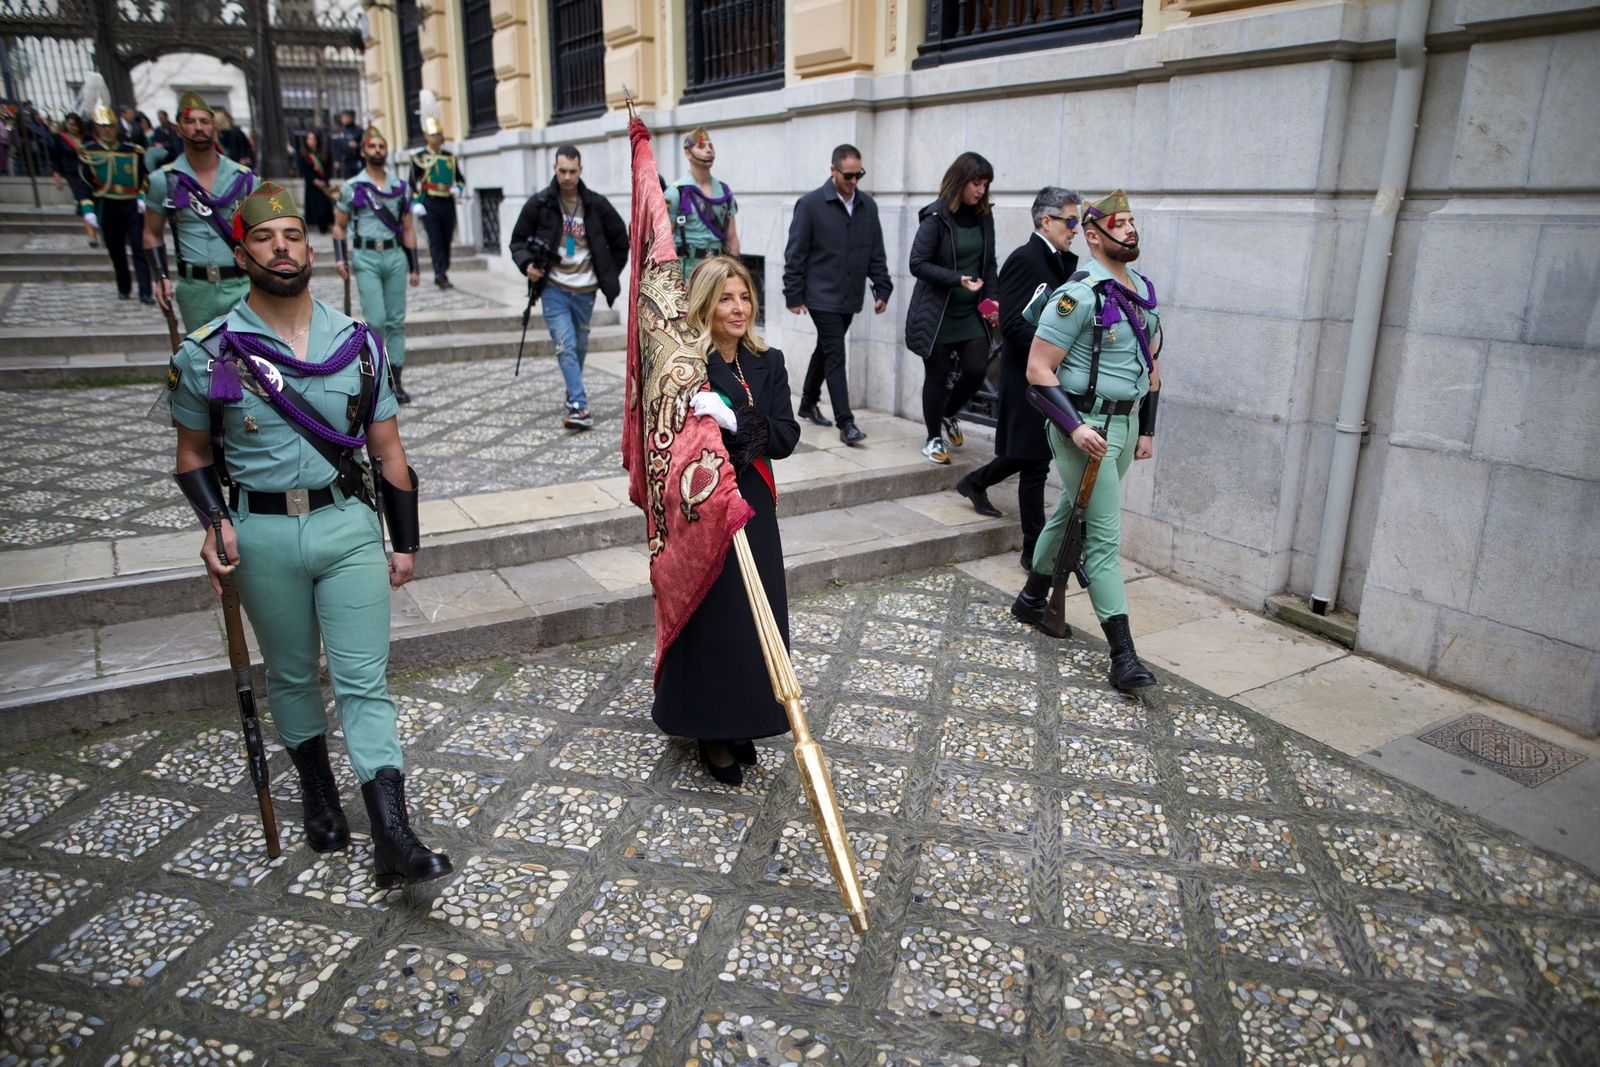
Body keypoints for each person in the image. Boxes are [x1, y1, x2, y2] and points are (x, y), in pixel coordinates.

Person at [163, 182, 451, 888]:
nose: (281, 246)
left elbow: (388, 451)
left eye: (292, 234)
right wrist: (213, 525)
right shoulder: (210, 351)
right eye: (265, 237)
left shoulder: (356, 344)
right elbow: (193, 456)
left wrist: (403, 540)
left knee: (364, 680)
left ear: (311, 246)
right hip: (258, 534)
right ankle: (319, 790)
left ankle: (392, 831)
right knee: (291, 673)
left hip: (347, 525)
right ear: (242, 251)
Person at [652, 256, 800, 785]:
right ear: (706, 305)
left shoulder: (770, 360)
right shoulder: (686, 365)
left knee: (755, 618)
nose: (738, 309)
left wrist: (736, 419)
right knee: (716, 615)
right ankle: (709, 730)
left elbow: (786, 435)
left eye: (744, 298)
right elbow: (670, 442)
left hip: (754, 500)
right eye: (725, 299)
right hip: (704, 505)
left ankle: (744, 720)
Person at [1010, 189, 1161, 692]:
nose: (1132, 229)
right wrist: (1075, 427)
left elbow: (1152, 369)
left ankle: (1031, 597)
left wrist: (1148, 429)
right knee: (1103, 537)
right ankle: (1123, 655)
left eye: (1134, 221)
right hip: (1084, 427)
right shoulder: (1077, 294)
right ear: (1094, 237)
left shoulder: (1143, 291)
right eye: (1120, 224)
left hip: (1126, 425)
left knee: (1069, 510)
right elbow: (1038, 368)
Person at [954, 187, 1080, 568]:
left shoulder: (1061, 261)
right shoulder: (1025, 259)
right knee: (1036, 463)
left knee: (1029, 453)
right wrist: (1052, 350)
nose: (1075, 229)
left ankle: (975, 482)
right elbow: (1010, 324)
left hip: (1047, 374)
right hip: (1028, 375)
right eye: (1070, 221)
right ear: (1047, 220)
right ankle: (1033, 552)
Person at [507, 144, 628, 430]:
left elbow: (621, 240)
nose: (567, 177)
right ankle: (578, 405)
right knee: (566, 344)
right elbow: (517, 241)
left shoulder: (596, 205)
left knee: (580, 344)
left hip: (586, 289)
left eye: (572, 171)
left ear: (580, 171)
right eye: (562, 171)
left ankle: (572, 388)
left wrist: (606, 274)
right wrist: (527, 265)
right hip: (553, 287)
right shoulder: (541, 203)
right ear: (555, 169)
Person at [782, 144, 892, 446]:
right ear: (833, 171)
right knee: (835, 352)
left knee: (826, 348)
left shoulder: (868, 206)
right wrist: (793, 294)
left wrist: (882, 287)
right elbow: (796, 253)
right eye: (848, 175)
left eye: (859, 175)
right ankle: (847, 422)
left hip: (849, 296)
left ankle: (807, 402)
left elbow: (876, 252)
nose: (854, 181)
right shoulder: (810, 205)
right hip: (820, 295)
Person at [904, 151, 999, 466]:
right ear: (959, 181)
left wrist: (993, 301)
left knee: (976, 370)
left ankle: (948, 413)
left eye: (985, 183)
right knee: (938, 375)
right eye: (976, 182)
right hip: (937, 314)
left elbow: (990, 263)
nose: (981, 190)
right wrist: (957, 279)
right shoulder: (936, 217)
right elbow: (917, 263)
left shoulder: (984, 216)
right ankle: (933, 438)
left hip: (972, 312)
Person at [144, 91, 257, 331]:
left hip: (241, 285)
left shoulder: (244, 179)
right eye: (190, 121)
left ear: (214, 127)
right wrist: (160, 277)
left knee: (250, 361)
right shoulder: (164, 180)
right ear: (179, 128)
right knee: (202, 362)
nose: (198, 127)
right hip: (195, 289)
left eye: (204, 121)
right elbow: (152, 233)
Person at [333, 125, 420, 403]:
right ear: (363, 151)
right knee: (377, 320)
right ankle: (378, 376)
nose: (377, 151)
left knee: (396, 321)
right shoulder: (353, 188)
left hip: (394, 256)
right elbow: (339, 227)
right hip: (366, 257)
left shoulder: (400, 188)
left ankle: (396, 380)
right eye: (372, 146)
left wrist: (415, 265)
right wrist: (339, 257)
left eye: (381, 146)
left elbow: (408, 228)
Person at [80, 101, 153, 305]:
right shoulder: (90, 152)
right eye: (102, 126)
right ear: (96, 128)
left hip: (131, 203)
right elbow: (85, 185)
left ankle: (145, 291)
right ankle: (124, 287)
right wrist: (88, 210)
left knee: (139, 248)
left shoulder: (132, 151)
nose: (107, 130)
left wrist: (141, 197)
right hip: (107, 204)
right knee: (116, 249)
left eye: (110, 126)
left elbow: (144, 179)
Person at [664, 125, 738, 280]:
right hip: (688, 272)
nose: (709, 150)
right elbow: (663, 239)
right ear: (688, 153)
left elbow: (732, 238)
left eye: (711, 146)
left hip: (718, 271)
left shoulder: (724, 191)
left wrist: (734, 272)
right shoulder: (676, 191)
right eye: (701, 146)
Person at [408, 93, 465, 288]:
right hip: (429, 200)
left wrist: (458, 189)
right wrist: (416, 202)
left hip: (446, 201)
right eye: (433, 134)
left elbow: (461, 179)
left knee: (447, 237)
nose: (436, 138)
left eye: (438, 134)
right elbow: (411, 183)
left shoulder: (450, 157)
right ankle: (439, 274)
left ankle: (443, 268)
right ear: (426, 136)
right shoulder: (419, 157)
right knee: (435, 239)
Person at [52, 113, 99, 247]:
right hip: (73, 174)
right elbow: (56, 159)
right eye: (70, 124)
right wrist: (57, 176)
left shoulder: (88, 138)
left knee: (94, 200)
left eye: (75, 124)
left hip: (90, 172)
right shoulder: (61, 139)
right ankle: (91, 234)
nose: (72, 127)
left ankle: (96, 227)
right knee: (83, 200)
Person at [296, 131, 334, 235]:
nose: (312, 141)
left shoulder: (325, 153)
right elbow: (304, 170)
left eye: (313, 139)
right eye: (309, 139)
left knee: (324, 206)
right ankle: (316, 224)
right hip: (312, 185)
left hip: (324, 184)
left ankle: (325, 225)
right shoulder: (303, 154)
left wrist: (324, 180)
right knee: (315, 206)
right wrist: (314, 180)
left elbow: (329, 169)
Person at [334, 109, 364, 179]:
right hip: (346, 162)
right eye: (342, 117)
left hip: (357, 160)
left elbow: (365, 144)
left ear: (351, 118)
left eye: (345, 117)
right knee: (348, 182)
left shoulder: (359, 131)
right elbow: (339, 147)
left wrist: (357, 145)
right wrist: (337, 160)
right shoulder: (341, 131)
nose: (343, 119)